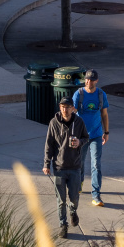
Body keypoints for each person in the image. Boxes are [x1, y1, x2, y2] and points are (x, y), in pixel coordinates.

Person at [43, 93, 89, 237]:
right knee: (61, 200)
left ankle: (73, 211)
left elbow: (86, 137)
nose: (65, 110)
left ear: (73, 109)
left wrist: (79, 143)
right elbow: (49, 145)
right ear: (60, 108)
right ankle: (63, 225)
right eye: (63, 107)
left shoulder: (79, 122)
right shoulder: (53, 123)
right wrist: (46, 164)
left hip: (75, 167)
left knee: (74, 197)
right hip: (59, 168)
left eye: (68, 107)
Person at [73, 68, 110, 206]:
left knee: (96, 165)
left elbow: (104, 114)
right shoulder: (79, 94)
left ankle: (96, 195)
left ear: (96, 81)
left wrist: (106, 132)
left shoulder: (101, 95)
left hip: (96, 134)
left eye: (91, 80)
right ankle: (79, 183)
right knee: (80, 163)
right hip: (81, 136)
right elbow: (72, 112)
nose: (89, 82)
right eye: (87, 79)